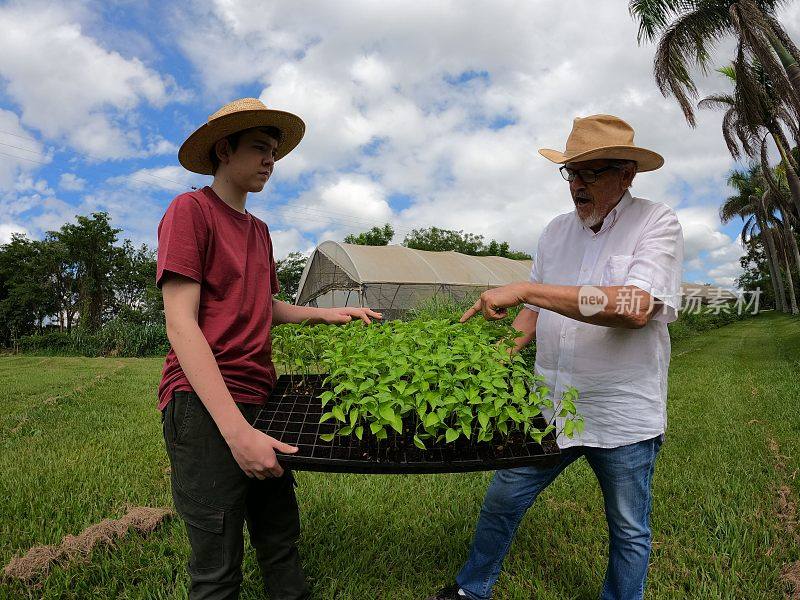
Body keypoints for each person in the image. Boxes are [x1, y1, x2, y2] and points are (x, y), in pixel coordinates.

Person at [429, 114, 684, 600]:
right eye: (572, 172)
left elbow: (635, 308)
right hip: (550, 406)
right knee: (503, 500)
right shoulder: (555, 232)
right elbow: (534, 312)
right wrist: (496, 358)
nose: (579, 184)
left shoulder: (656, 222)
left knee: (628, 528)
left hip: (622, 412)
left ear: (627, 174)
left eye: (593, 171)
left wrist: (528, 288)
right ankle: (471, 588)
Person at [157, 97, 381, 600]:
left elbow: (263, 304)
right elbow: (181, 324)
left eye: (274, 152)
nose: (270, 162)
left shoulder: (259, 231)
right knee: (217, 565)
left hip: (264, 395)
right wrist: (237, 433)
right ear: (223, 150)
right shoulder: (190, 211)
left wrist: (325, 313)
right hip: (203, 399)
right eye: (259, 148)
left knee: (279, 537)